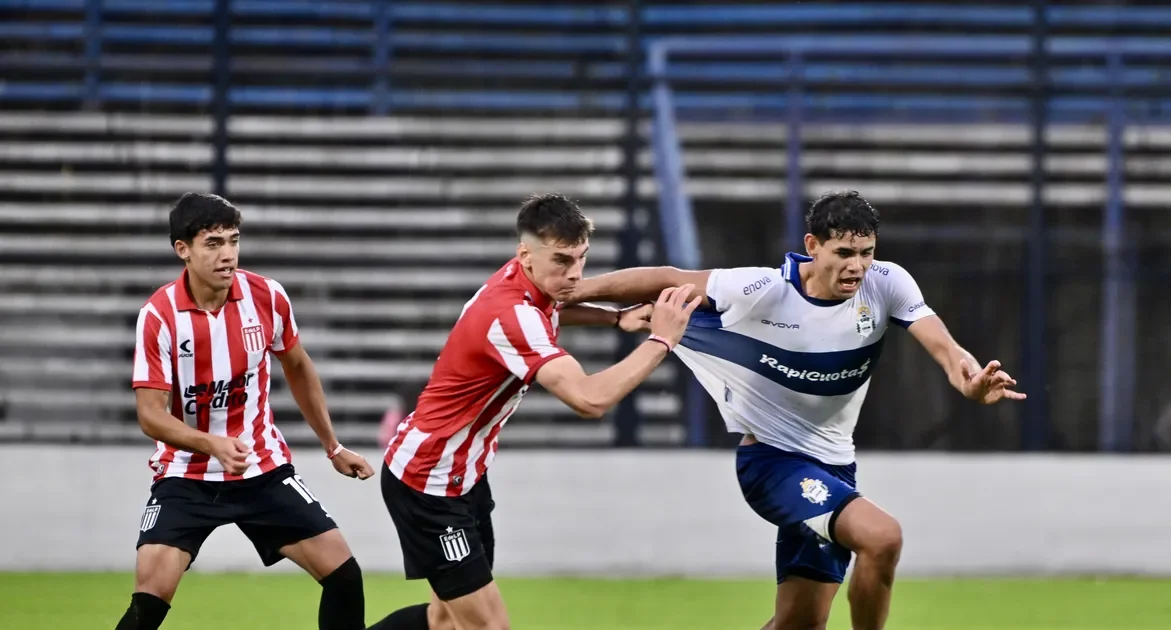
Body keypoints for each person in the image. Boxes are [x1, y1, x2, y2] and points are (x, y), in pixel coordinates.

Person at [566, 190, 1025, 630]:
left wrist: (969, 380)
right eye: (844, 252)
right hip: (773, 464)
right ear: (812, 246)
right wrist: (573, 292)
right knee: (882, 537)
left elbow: (946, 349)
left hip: (836, 468)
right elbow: (669, 277)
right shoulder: (762, 290)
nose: (857, 266)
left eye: (866, 252)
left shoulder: (886, 283)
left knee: (800, 623)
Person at [368, 193, 693, 630]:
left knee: (445, 621)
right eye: (562, 261)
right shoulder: (509, 314)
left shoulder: (524, 285)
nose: (575, 274)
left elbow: (553, 310)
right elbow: (589, 399)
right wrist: (662, 341)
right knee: (489, 627)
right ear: (526, 254)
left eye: (581, 258)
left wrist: (614, 319)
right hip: (428, 483)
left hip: (462, 478)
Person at [116, 192, 376, 630]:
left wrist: (333, 446)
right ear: (183, 250)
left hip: (261, 469)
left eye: (233, 241)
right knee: (150, 599)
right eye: (213, 243)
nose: (228, 255)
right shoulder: (159, 316)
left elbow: (298, 367)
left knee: (345, 577)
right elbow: (150, 415)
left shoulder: (267, 296)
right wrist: (210, 443)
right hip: (186, 475)